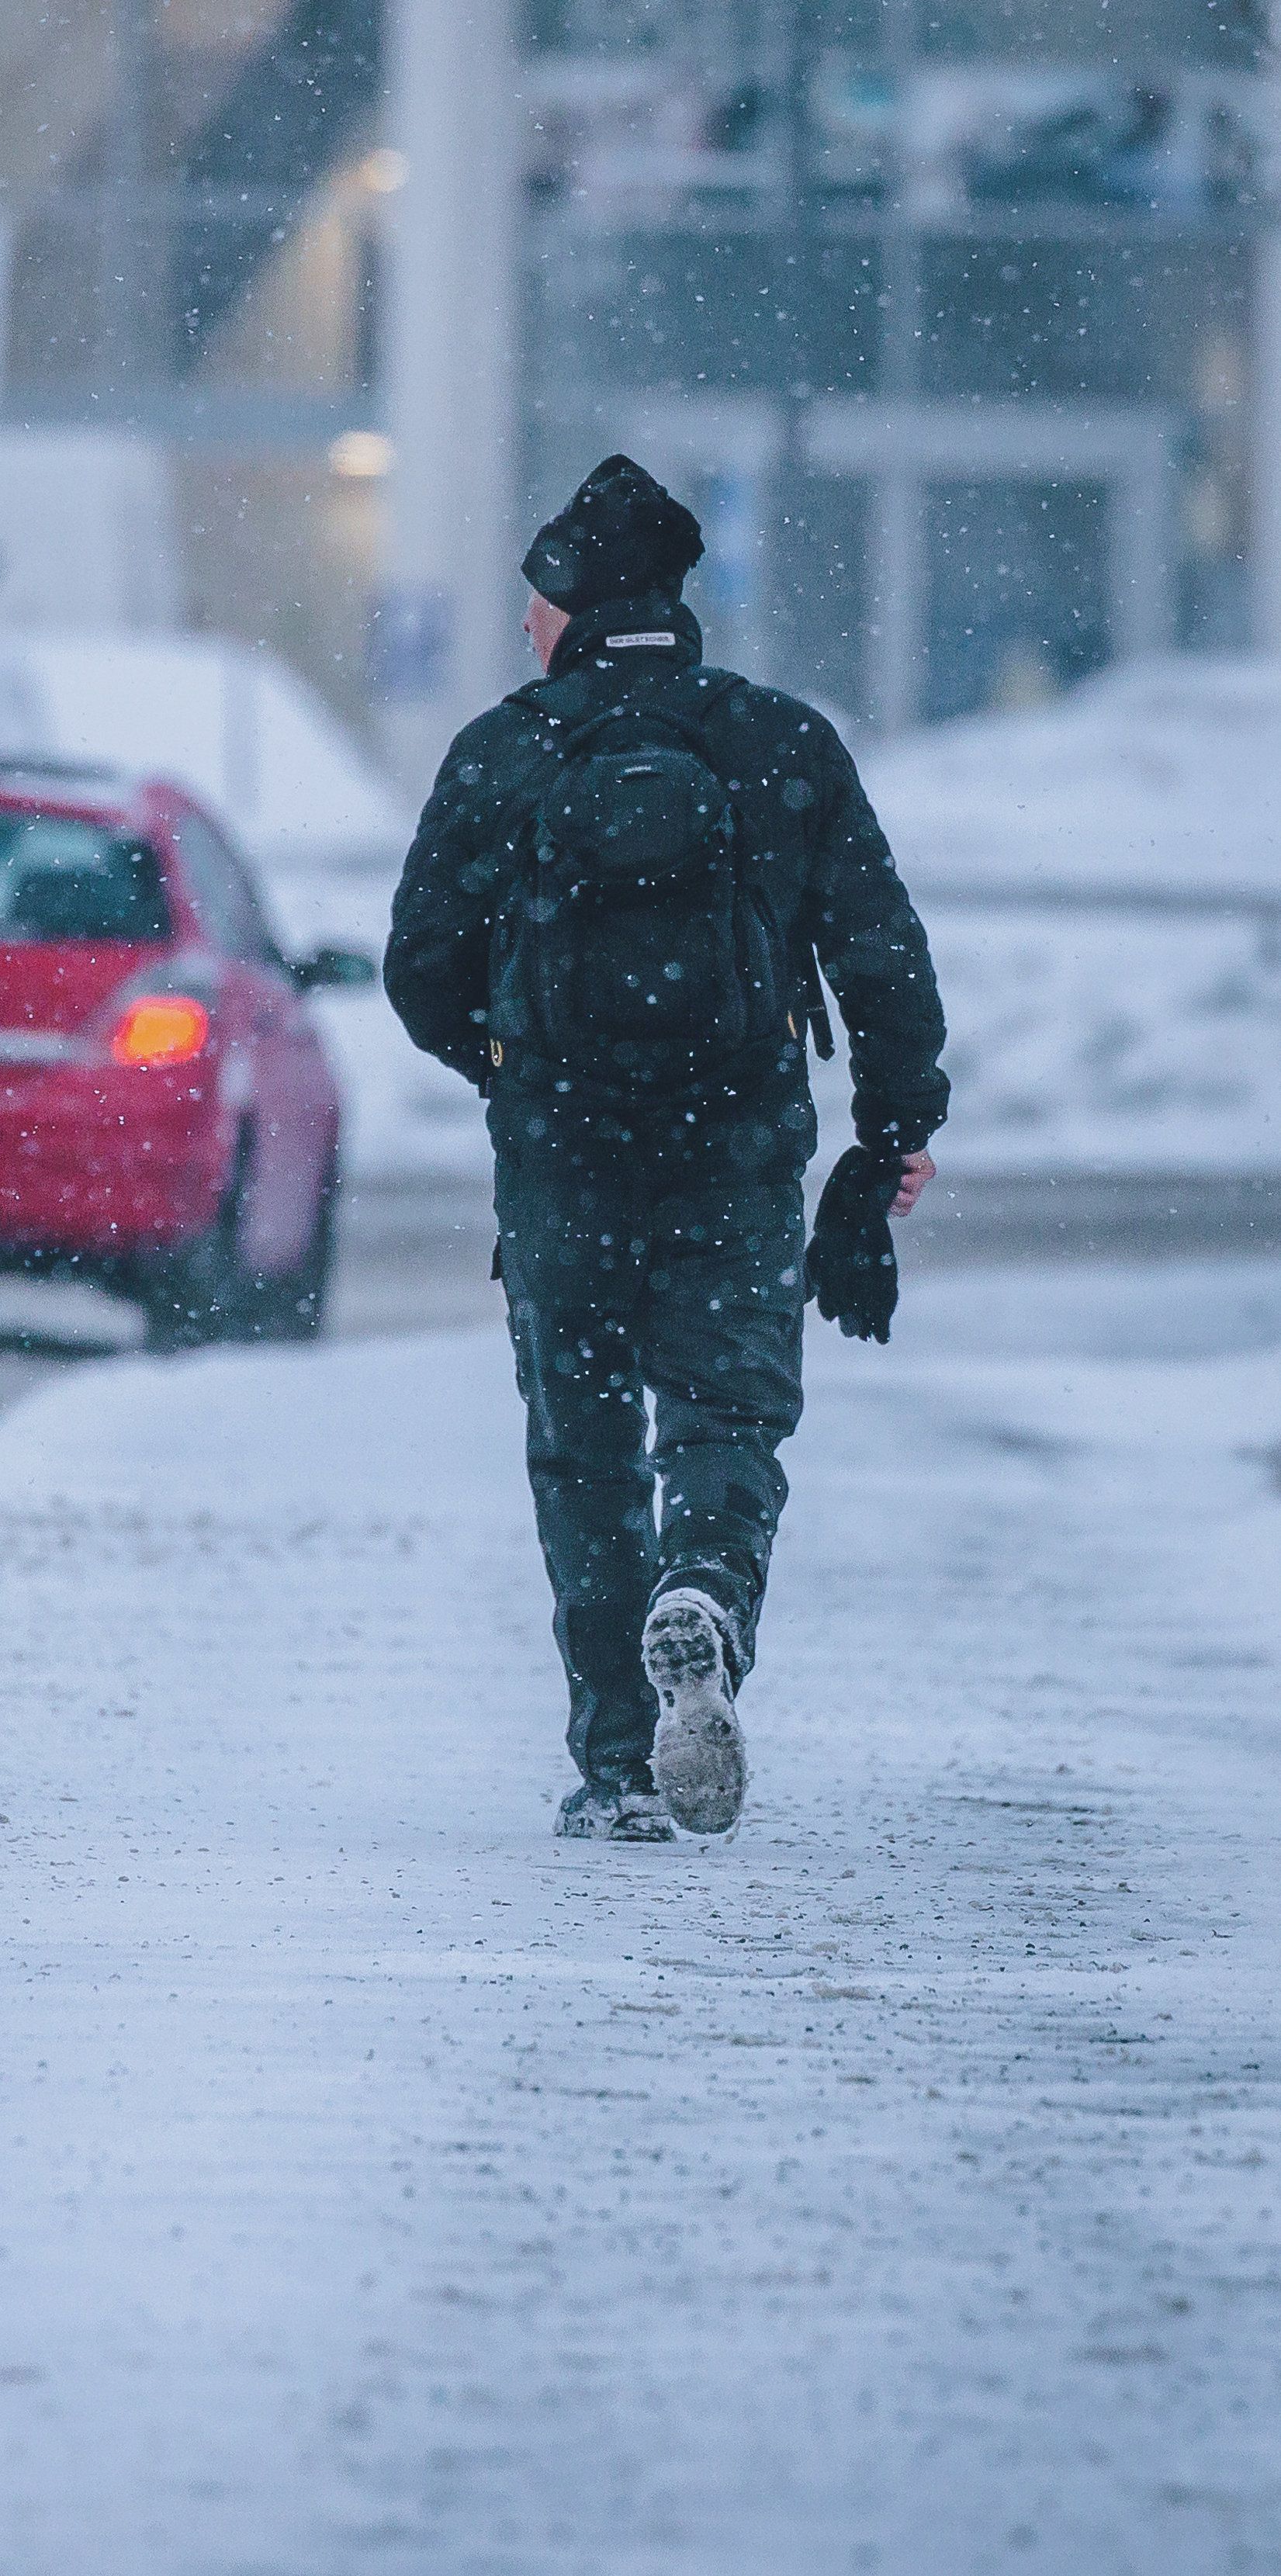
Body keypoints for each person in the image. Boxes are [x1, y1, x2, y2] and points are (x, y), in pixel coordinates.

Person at [385, 455, 949, 1842]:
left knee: (581, 1444)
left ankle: (621, 1766)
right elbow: (882, 959)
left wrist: (518, 1063)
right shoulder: (781, 745)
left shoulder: (506, 750)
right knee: (727, 1413)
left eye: (536, 601)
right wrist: (888, 1141)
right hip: (737, 1152)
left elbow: (418, 969)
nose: (527, 626)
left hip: (565, 1160)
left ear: (578, 602)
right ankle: (702, 1592)